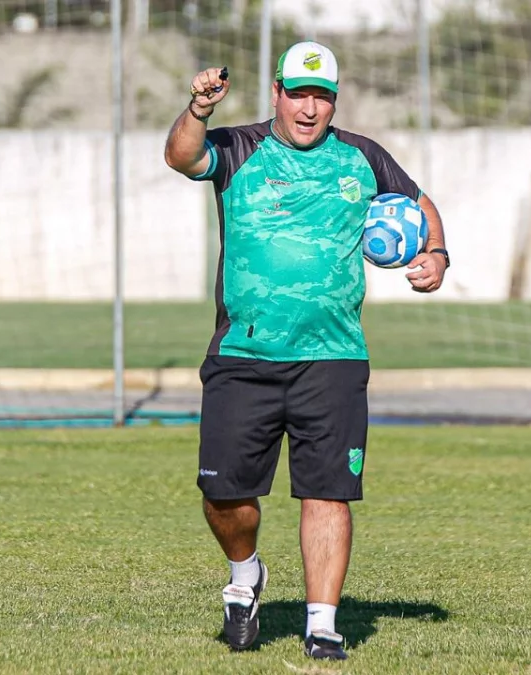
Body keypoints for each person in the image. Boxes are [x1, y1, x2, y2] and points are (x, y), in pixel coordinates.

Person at [163, 41, 450, 658]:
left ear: (334, 101)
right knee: (224, 495)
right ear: (277, 93)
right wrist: (197, 110)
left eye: (321, 96)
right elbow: (180, 157)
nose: (309, 107)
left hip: (334, 355)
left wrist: (436, 254)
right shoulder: (238, 149)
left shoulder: (363, 157)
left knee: (328, 493)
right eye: (299, 93)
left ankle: (322, 627)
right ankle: (245, 576)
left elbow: (420, 205)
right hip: (244, 354)